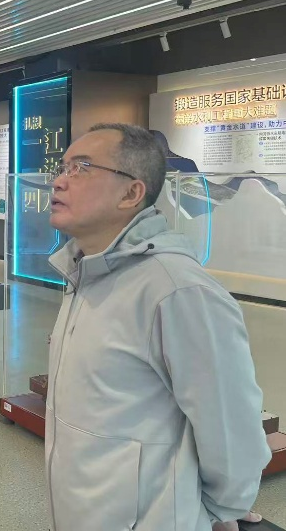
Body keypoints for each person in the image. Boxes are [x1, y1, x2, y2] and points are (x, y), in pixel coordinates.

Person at [44, 123, 271, 531]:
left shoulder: (177, 290)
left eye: (81, 168)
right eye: (62, 167)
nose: (59, 181)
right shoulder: (83, 274)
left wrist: (219, 510)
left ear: (131, 193)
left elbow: (232, 427)